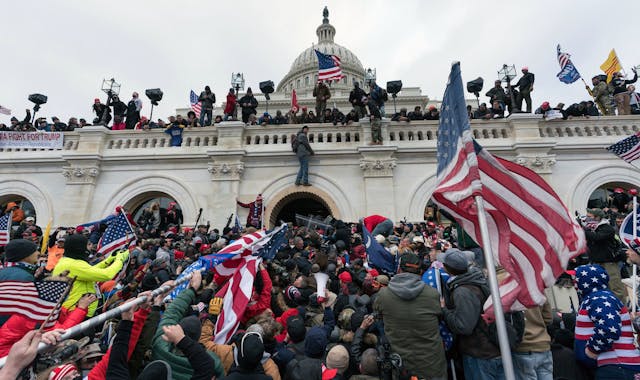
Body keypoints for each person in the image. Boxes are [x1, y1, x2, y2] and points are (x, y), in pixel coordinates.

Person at [374, 253, 446, 379]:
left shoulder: (383, 295)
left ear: (399, 269)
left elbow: (378, 315)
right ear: (420, 272)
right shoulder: (432, 294)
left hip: (402, 367)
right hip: (431, 366)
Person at [440, 248, 504, 379]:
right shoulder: (477, 279)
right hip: (493, 349)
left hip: (480, 354)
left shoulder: (463, 291)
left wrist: (444, 310)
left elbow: (464, 326)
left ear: (449, 268)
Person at [573, 264, 640, 378]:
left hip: (616, 367)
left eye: (576, 279)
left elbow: (609, 328)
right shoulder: (597, 298)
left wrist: (592, 350)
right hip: (615, 367)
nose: (574, 284)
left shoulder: (599, 298)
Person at [51, 234, 128, 317]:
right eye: (88, 244)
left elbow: (89, 271)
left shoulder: (69, 261)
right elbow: (107, 275)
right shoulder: (74, 265)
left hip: (74, 310)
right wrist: (120, 259)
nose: (90, 247)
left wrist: (108, 261)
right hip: (76, 312)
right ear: (79, 247)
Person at [583, 208, 626, 302]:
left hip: (608, 263)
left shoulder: (606, 228)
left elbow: (597, 237)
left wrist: (582, 231)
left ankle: (622, 311)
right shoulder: (591, 228)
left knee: (615, 287)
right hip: (596, 262)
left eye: (589, 216)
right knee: (598, 288)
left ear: (597, 217)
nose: (587, 218)